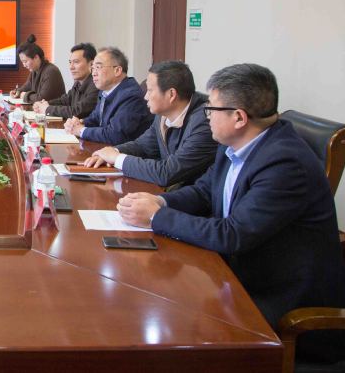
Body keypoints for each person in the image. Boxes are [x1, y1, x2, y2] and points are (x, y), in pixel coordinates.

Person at [118, 64, 345, 356]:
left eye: (211, 109)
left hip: (279, 303)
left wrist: (156, 216)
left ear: (239, 117)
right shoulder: (234, 144)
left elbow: (233, 234)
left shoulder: (285, 164)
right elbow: (204, 191)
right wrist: (161, 202)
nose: (206, 115)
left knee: (167, 330)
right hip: (237, 276)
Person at [84, 60, 217, 189]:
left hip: (192, 199)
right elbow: (143, 146)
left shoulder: (205, 122)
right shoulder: (162, 114)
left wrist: (117, 158)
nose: (145, 97)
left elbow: (168, 172)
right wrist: (112, 152)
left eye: (150, 90)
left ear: (171, 94)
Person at [65, 47, 151, 144]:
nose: (93, 73)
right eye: (92, 68)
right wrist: (79, 123)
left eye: (98, 67)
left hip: (127, 151)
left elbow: (115, 134)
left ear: (117, 70)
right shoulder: (105, 91)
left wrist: (81, 130)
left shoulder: (131, 95)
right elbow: (96, 118)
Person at [33, 42, 98, 120]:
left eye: (76, 62)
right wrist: (44, 104)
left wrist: (47, 109)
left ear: (91, 64)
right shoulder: (78, 83)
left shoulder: (96, 85)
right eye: (70, 62)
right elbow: (65, 100)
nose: (71, 67)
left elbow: (77, 111)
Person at [10, 34, 65, 103]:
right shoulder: (35, 71)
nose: (24, 65)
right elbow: (27, 86)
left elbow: (42, 98)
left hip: (54, 109)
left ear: (36, 57)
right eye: (22, 62)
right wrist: (17, 92)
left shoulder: (51, 71)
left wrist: (25, 95)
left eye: (25, 61)